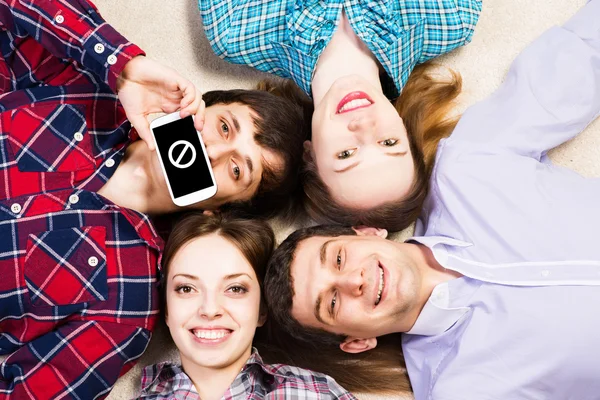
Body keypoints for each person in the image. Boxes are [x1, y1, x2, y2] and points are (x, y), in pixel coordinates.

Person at [263, 0, 600, 398]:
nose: (353, 280)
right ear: (355, 343)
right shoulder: (462, 387)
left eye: (338, 258)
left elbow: (579, 59)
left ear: (368, 232)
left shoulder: (466, 169)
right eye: (332, 303)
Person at [0, 1, 306, 399]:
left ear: (221, 209)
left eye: (237, 171)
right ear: (201, 107)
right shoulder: (94, 86)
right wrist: (124, 67)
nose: (213, 151)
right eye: (224, 127)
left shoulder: (125, 306)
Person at [200, 0, 481, 230]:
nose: (363, 125)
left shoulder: (235, 30)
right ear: (404, 129)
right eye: (389, 143)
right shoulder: (452, 18)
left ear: (309, 154)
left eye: (346, 154)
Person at [137, 212, 356, 400]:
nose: (210, 309)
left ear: (262, 309)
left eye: (235, 289)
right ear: (166, 309)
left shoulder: (317, 394)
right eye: (186, 288)